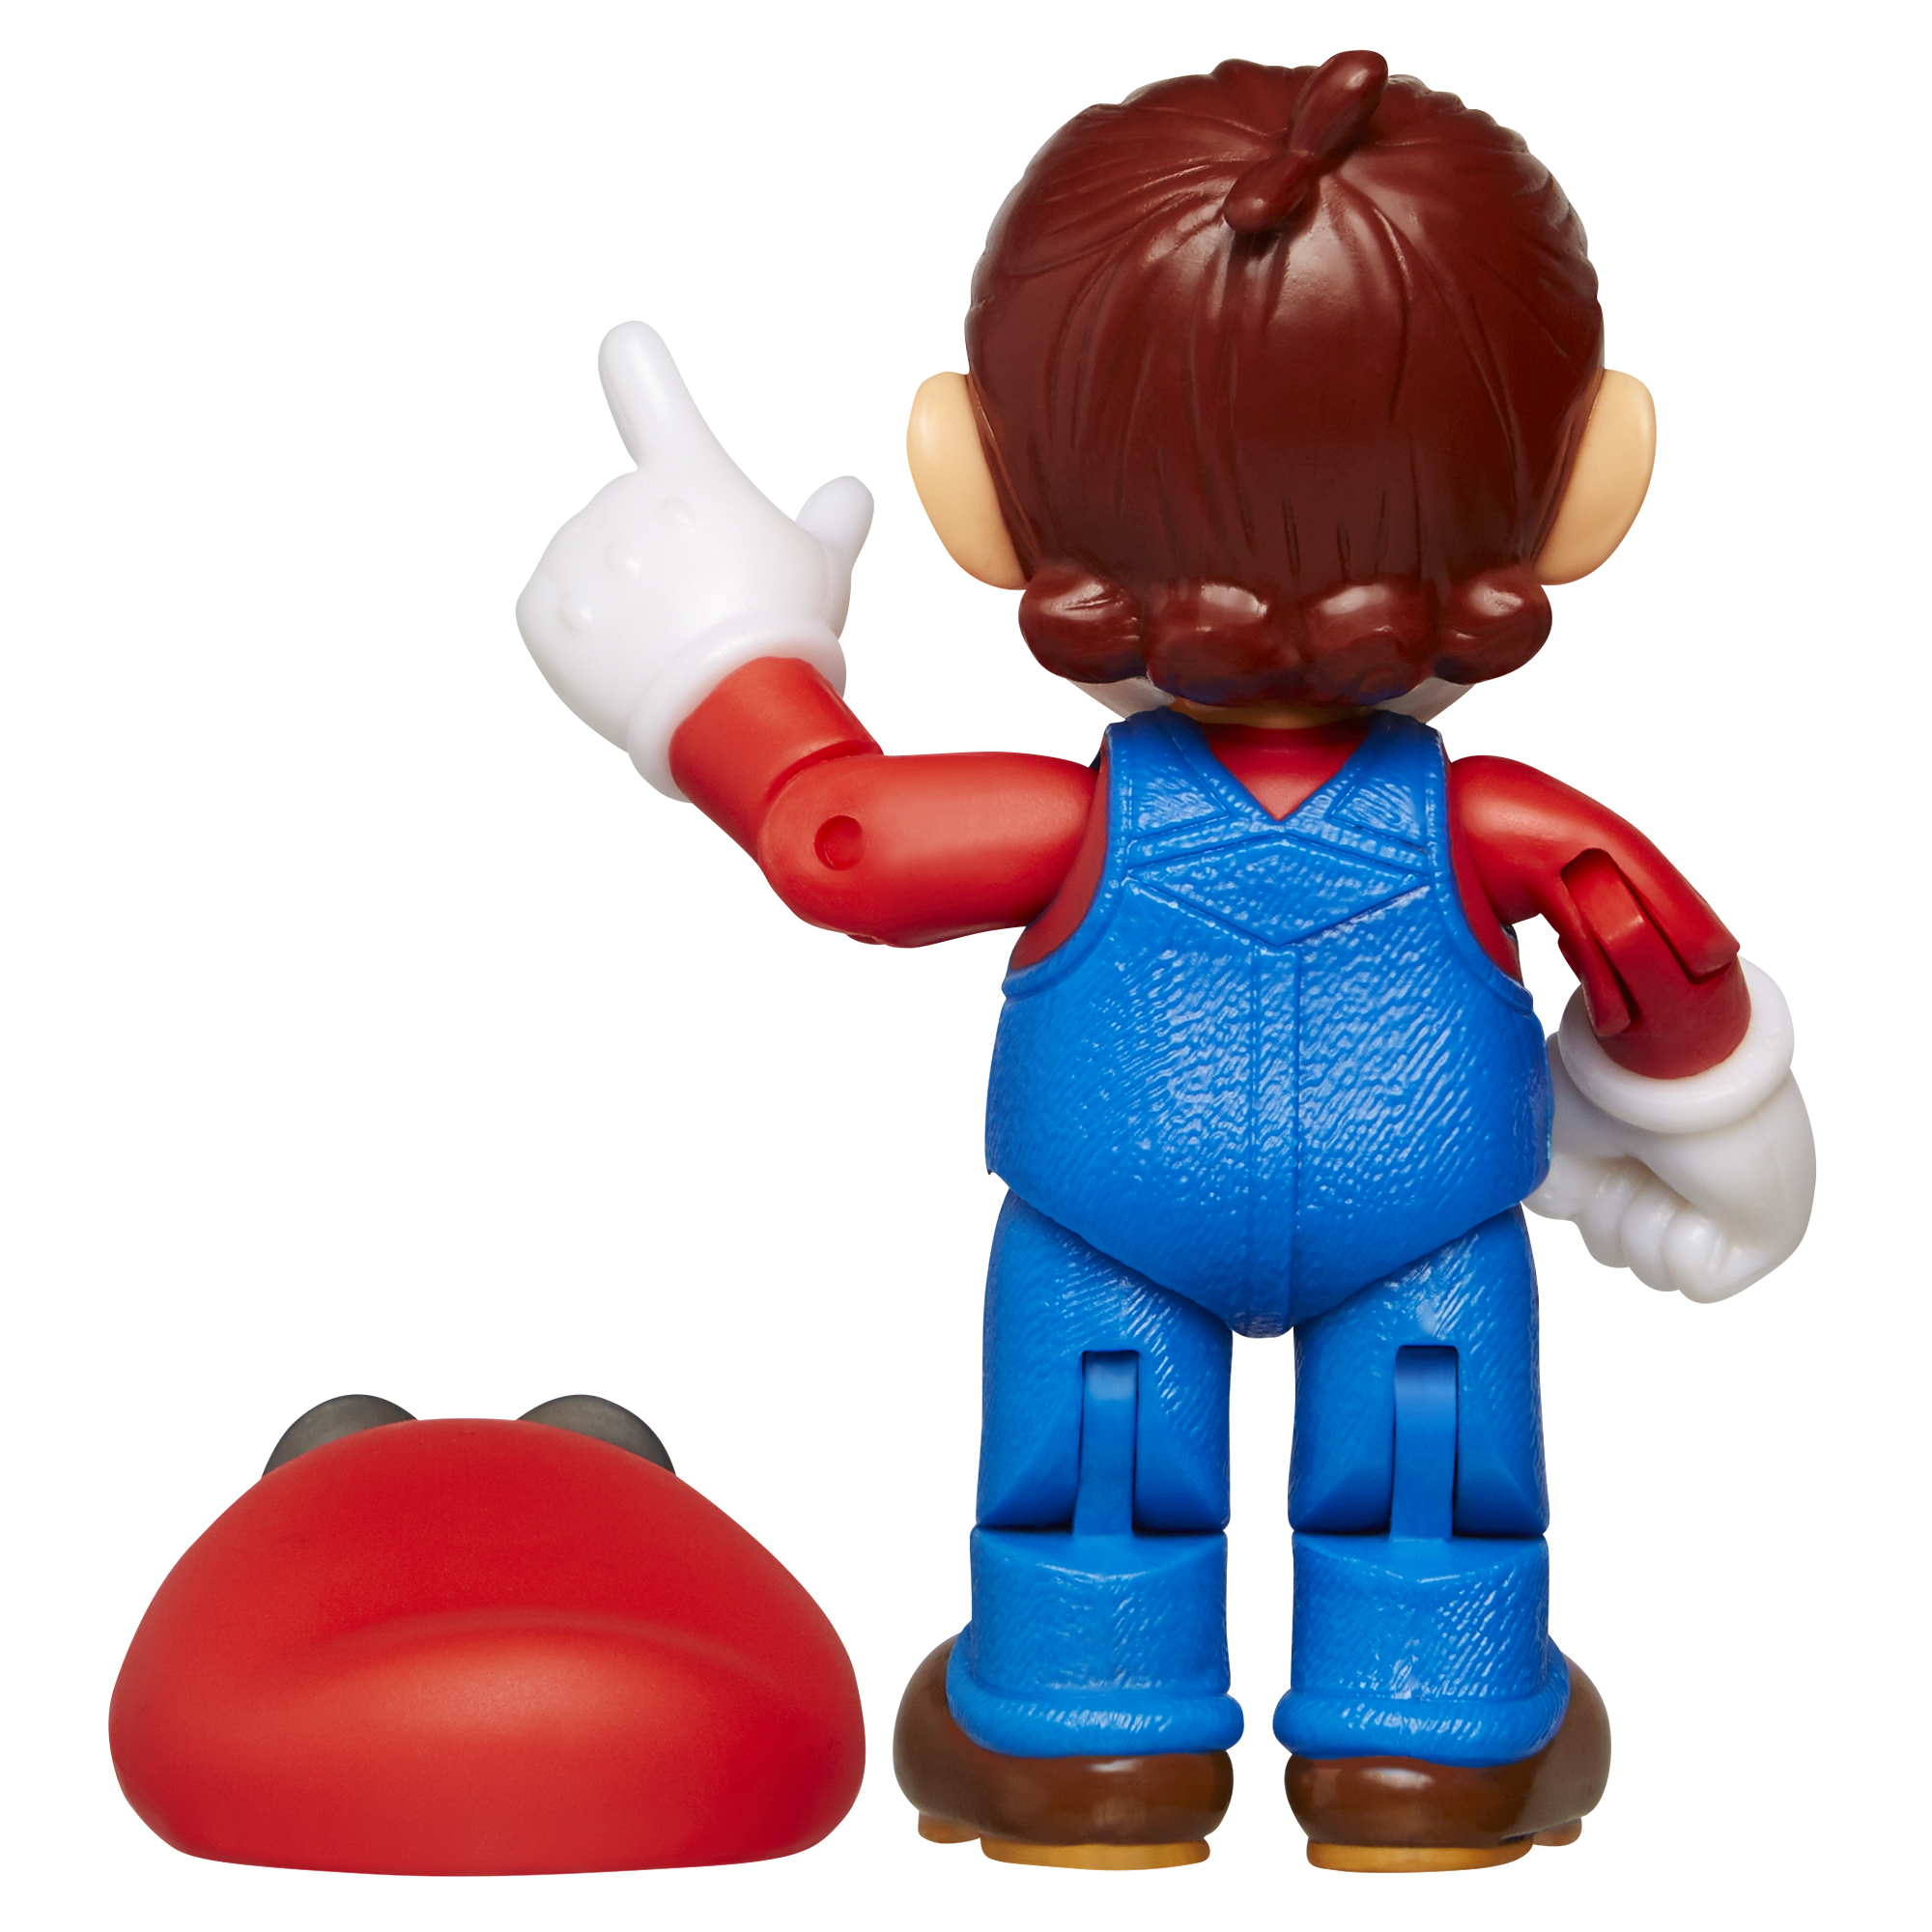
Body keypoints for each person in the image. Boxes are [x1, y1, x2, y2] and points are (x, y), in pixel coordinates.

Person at [517, 51, 1815, 1871]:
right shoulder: (1504, 824)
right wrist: (1737, 1170)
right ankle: (1430, 1747)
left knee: (1090, 1469)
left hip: (1107, 1219)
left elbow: (836, 835)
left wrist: (716, 654)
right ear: (1596, 479)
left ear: (972, 485)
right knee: (1436, 1475)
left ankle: (1083, 1745)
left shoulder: (1074, 818)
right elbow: (1665, 973)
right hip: (1425, 1227)